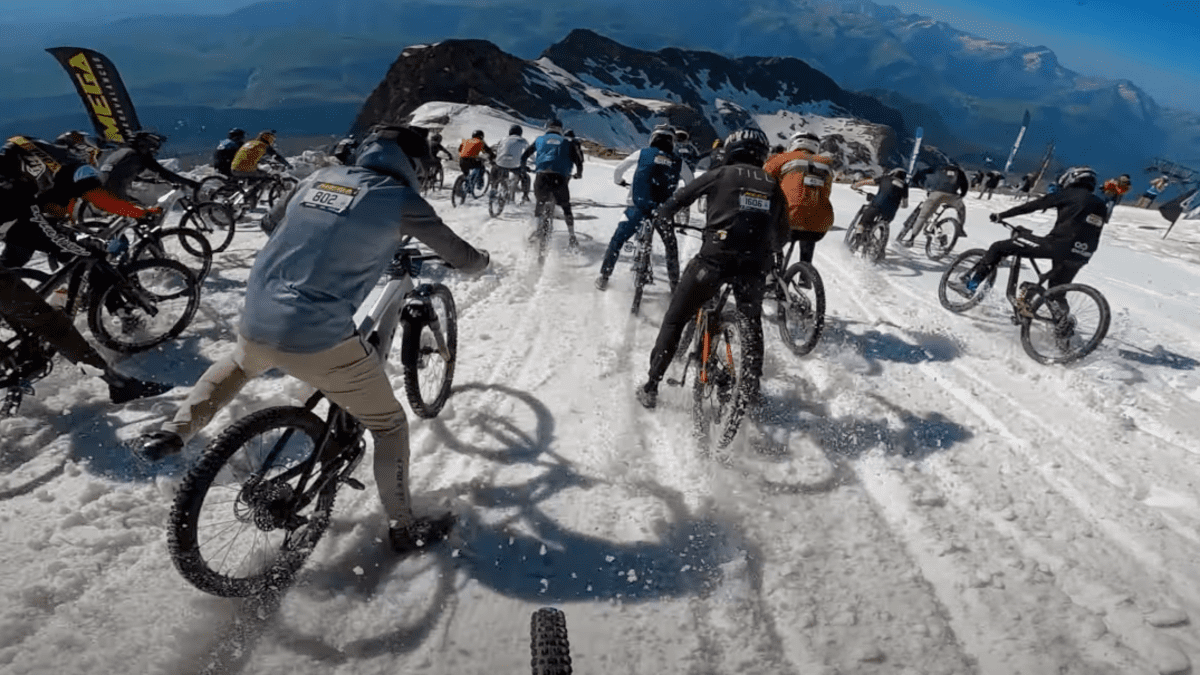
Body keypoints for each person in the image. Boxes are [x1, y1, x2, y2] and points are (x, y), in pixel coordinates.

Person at [133, 124, 490, 553]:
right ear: (414, 164)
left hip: (256, 317)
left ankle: (174, 432)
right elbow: (465, 260)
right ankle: (403, 528)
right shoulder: (400, 200)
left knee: (241, 364)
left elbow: (270, 224)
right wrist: (482, 260)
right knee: (390, 426)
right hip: (316, 338)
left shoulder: (317, 178)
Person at [0, 135, 173, 404]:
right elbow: (96, 200)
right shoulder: (65, 170)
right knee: (52, 323)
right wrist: (136, 215)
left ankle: (19, 350)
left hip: (20, 228)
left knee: (14, 281)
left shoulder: (19, 175)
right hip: (29, 226)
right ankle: (118, 383)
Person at [633, 127, 786, 410]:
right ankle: (751, 390)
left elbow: (675, 203)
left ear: (731, 150)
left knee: (676, 319)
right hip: (754, 268)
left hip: (714, 260)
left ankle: (652, 385)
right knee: (751, 323)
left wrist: (665, 220)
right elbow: (783, 235)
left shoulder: (720, 173)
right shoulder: (773, 185)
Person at [952, 166, 1106, 295]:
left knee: (998, 247)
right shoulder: (1101, 204)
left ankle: (970, 286)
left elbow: (1031, 207)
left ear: (1072, 178)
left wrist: (1002, 215)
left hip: (1057, 245)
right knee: (1056, 292)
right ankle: (1062, 323)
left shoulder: (1066, 195)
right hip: (1083, 254)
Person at [596, 125, 694, 290]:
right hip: (663, 211)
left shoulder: (642, 153)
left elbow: (619, 170)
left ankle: (604, 276)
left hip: (637, 207)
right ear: (672, 142)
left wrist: (619, 182)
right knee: (671, 246)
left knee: (618, 239)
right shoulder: (679, 162)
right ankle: (674, 285)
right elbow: (690, 183)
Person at [762, 131, 834, 265]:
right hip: (821, 225)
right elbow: (827, 192)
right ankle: (805, 269)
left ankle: (772, 270)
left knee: (769, 238)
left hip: (789, 219)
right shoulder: (826, 163)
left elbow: (763, 179)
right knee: (811, 219)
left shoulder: (782, 158)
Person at [520, 119, 582, 250]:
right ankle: (572, 236)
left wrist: (524, 167)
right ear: (560, 129)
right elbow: (578, 162)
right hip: (560, 179)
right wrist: (579, 174)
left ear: (547, 128)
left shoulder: (539, 139)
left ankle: (537, 229)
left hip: (541, 177)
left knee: (540, 203)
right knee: (566, 206)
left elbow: (524, 156)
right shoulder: (567, 142)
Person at [100, 130, 200, 203]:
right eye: (152, 146)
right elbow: (165, 173)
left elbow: (121, 172)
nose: (153, 151)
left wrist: (148, 181)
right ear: (144, 145)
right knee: (143, 216)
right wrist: (190, 183)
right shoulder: (140, 156)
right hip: (115, 189)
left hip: (101, 186)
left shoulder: (123, 152)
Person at [908, 161, 968, 243]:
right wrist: (961, 195)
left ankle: (912, 238)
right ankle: (960, 228)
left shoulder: (939, 168)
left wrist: (923, 185)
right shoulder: (959, 172)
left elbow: (926, 175)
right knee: (961, 210)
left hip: (937, 194)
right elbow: (965, 185)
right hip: (953, 196)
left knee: (922, 217)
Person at [230, 129, 293, 205]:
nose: (272, 141)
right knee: (265, 177)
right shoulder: (263, 145)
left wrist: (264, 161)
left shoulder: (251, 143)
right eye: (272, 139)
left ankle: (248, 197)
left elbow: (251, 156)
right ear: (268, 138)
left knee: (256, 178)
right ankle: (251, 200)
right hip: (245, 169)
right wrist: (287, 164)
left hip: (234, 167)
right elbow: (277, 156)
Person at [850, 167, 910, 236]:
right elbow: (905, 205)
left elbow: (868, 181)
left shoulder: (885, 178)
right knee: (883, 224)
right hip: (890, 212)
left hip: (876, 205)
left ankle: (858, 233)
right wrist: (898, 204)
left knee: (863, 221)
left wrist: (855, 185)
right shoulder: (905, 186)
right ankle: (877, 241)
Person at [491, 124, 531, 203]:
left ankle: (493, 189)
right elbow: (529, 152)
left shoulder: (503, 139)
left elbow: (495, 147)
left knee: (494, 170)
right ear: (520, 133)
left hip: (500, 164)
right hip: (515, 165)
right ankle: (525, 195)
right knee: (526, 177)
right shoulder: (523, 140)